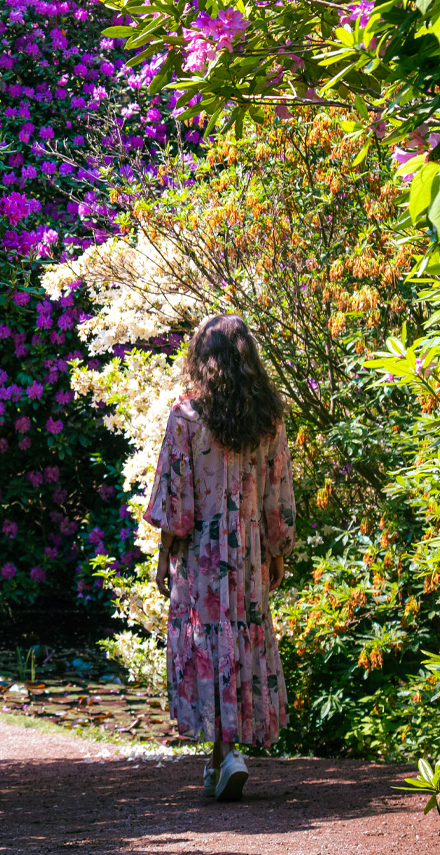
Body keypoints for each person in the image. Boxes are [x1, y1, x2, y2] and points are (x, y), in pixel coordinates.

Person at [144, 314, 295, 802]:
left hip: (203, 555)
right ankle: (224, 757)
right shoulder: (268, 418)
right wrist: (276, 552)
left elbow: (176, 499)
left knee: (210, 643)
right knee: (239, 636)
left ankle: (226, 754)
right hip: (247, 554)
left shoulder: (187, 416)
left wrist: (164, 554)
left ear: (202, 359)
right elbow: (279, 496)